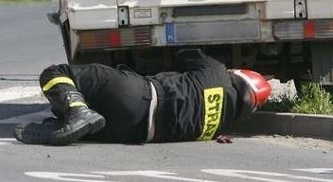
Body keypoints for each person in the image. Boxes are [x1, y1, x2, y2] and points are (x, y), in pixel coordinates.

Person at [15, 48, 272, 146]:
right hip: (130, 134)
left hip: (138, 95)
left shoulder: (216, 73)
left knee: (56, 73)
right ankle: (65, 122)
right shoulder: (220, 127)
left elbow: (183, 52)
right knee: (70, 118)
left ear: (239, 76)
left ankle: (76, 110)